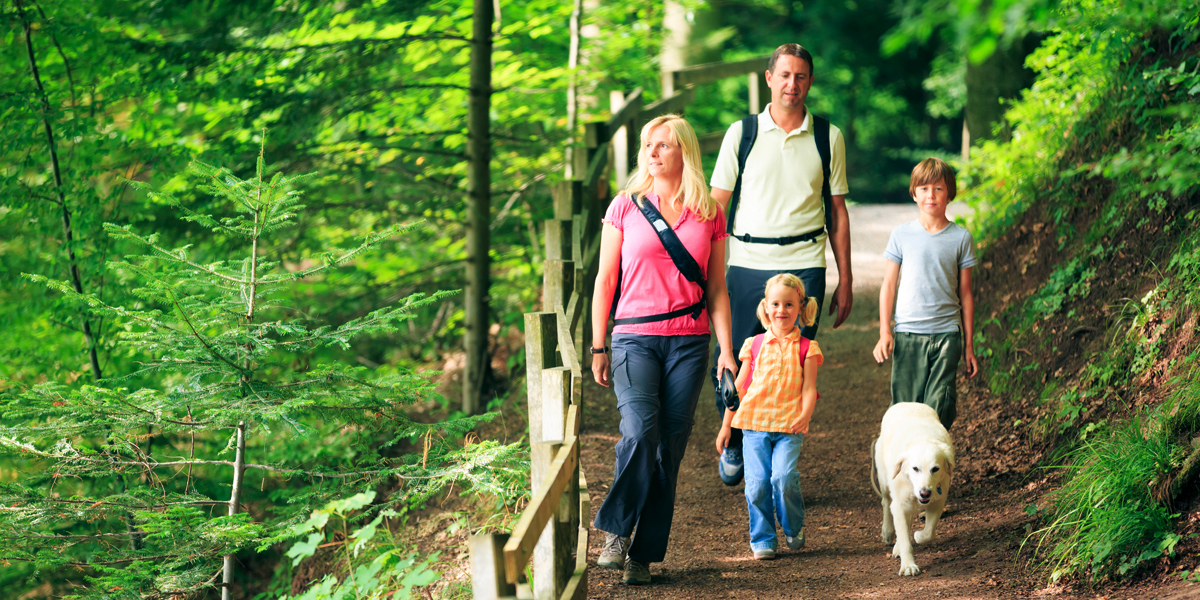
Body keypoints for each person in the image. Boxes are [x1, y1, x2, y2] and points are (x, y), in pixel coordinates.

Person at [590, 114, 738, 585]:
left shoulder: (710, 214)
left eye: (663, 145)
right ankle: (616, 533)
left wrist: (727, 352)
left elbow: (717, 288)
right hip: (633, 337)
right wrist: (598, 345)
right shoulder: (625, 206)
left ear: (684, 153)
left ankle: (644, 554)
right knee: (639, 432)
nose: (653, 153)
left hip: (690, 344)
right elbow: (605, 280)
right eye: (648, 145)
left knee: (668, 450)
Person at [708, 43, 852, 485]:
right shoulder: (742, 133)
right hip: (749, 261)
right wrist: (702, 273)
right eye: (785, 75)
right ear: (769, 78)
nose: (793, 84)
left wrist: (845, 279)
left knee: (791, 365)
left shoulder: (829, 137)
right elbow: (716, 207)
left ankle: (776, 458)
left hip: (806, 262)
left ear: (811, 82)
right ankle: (734, 439)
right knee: (735, 358)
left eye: (801, 76)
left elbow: (838, 213)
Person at [715, 274, 822, 560]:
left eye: (789, 304)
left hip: (789, 426)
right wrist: (726, 426)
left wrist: (805, 414)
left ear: (801, 307)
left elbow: (810, 388)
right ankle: (763, 538)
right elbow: (737, 388)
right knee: (758, 482)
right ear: (765, 307)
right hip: (753, 426)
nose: (781, 310)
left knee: (784, 477)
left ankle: (793, 525)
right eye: (775, 303)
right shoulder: (754, 344)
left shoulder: (807, 348)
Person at [872, 157, 979, 429]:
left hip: (947, 334)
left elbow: (965, 294)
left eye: (938, 189)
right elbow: (888, 285)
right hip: (908, 333)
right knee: (905, 408)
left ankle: (933, 464)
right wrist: (885, 331)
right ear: (914, 193)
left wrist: (969, 345)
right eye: (924, 189)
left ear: (949, 193)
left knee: (940, 404)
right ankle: (904, 467)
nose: (930, 195)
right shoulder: (901, 234)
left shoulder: (961, 238)